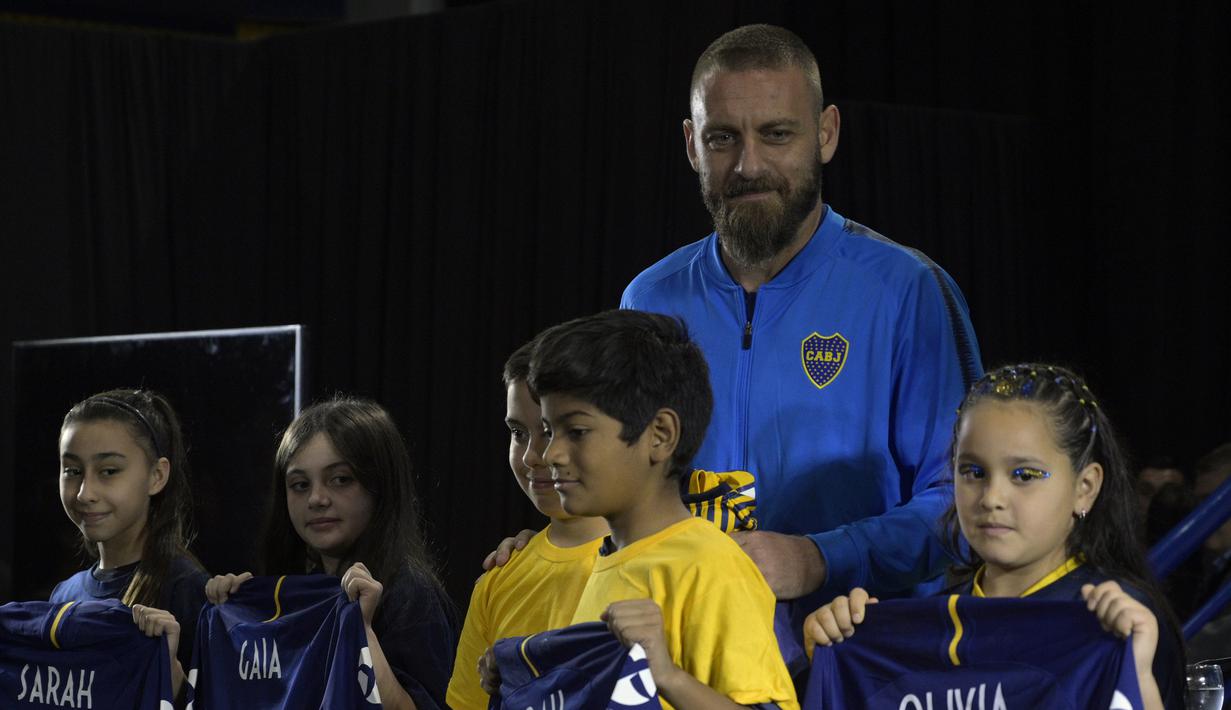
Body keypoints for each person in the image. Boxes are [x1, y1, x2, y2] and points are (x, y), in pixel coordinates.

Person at [616, 23, 983, 606]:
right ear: (691, 144)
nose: (747, 165)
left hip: (862, 666)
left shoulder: (907, 290)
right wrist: (564, 539)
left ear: (826, 133)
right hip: (693, 662)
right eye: (722, 139)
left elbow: (965, 503)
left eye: (777, 134)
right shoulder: (648, 300)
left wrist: (819, 558)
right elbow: (623, 492)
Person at [804, 364, 1185, 710]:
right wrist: (838, 654)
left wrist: (1138, 675)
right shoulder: (921, 626)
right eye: (973, 471)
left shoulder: (1119, 622)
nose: (991, 498)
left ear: (1085, 487)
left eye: (1024, 475)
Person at [484, 310, 797, 709]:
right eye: (550, 429)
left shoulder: (711, 565)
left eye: (576, 431)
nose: (551, 453)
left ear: (661, 435)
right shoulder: (610, 559)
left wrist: (667, 676)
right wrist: (526, 677)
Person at [206, 397, 457, 710]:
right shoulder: (299, 592)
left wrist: (360, 631)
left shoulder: (410, 593)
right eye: (299, 484)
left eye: (340, 479)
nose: (317, 498)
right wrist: (237, 616)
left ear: (380, 485)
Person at [446, 342, 609, 709]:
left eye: (551, 431)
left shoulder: (671, 559)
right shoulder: (499, 579)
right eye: (519, 433)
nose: (533, 455)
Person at [51, 389, 207, 699]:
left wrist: (175, 689)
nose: (84, 493)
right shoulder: (64, 595)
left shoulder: (189, 593)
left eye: (109, 471)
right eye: (73, 471)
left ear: (157, 476)